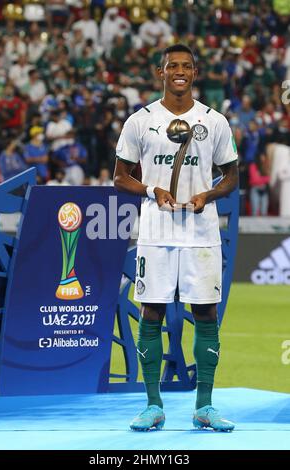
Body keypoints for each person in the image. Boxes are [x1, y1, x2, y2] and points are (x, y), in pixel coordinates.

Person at [113, 44, 238, 432]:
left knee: (206, 313)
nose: (179, 72)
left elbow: (232, 177)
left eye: (186, 66)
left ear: (195, 73)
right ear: (160, 72)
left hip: (201, 233)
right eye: (172, 66)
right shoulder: (140, 120)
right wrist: (152, 190)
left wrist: (209, 194)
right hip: (156, 231)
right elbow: (120, 177)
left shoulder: (215, 121)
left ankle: (205, 406)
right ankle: (153, 405)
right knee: (151, 311)